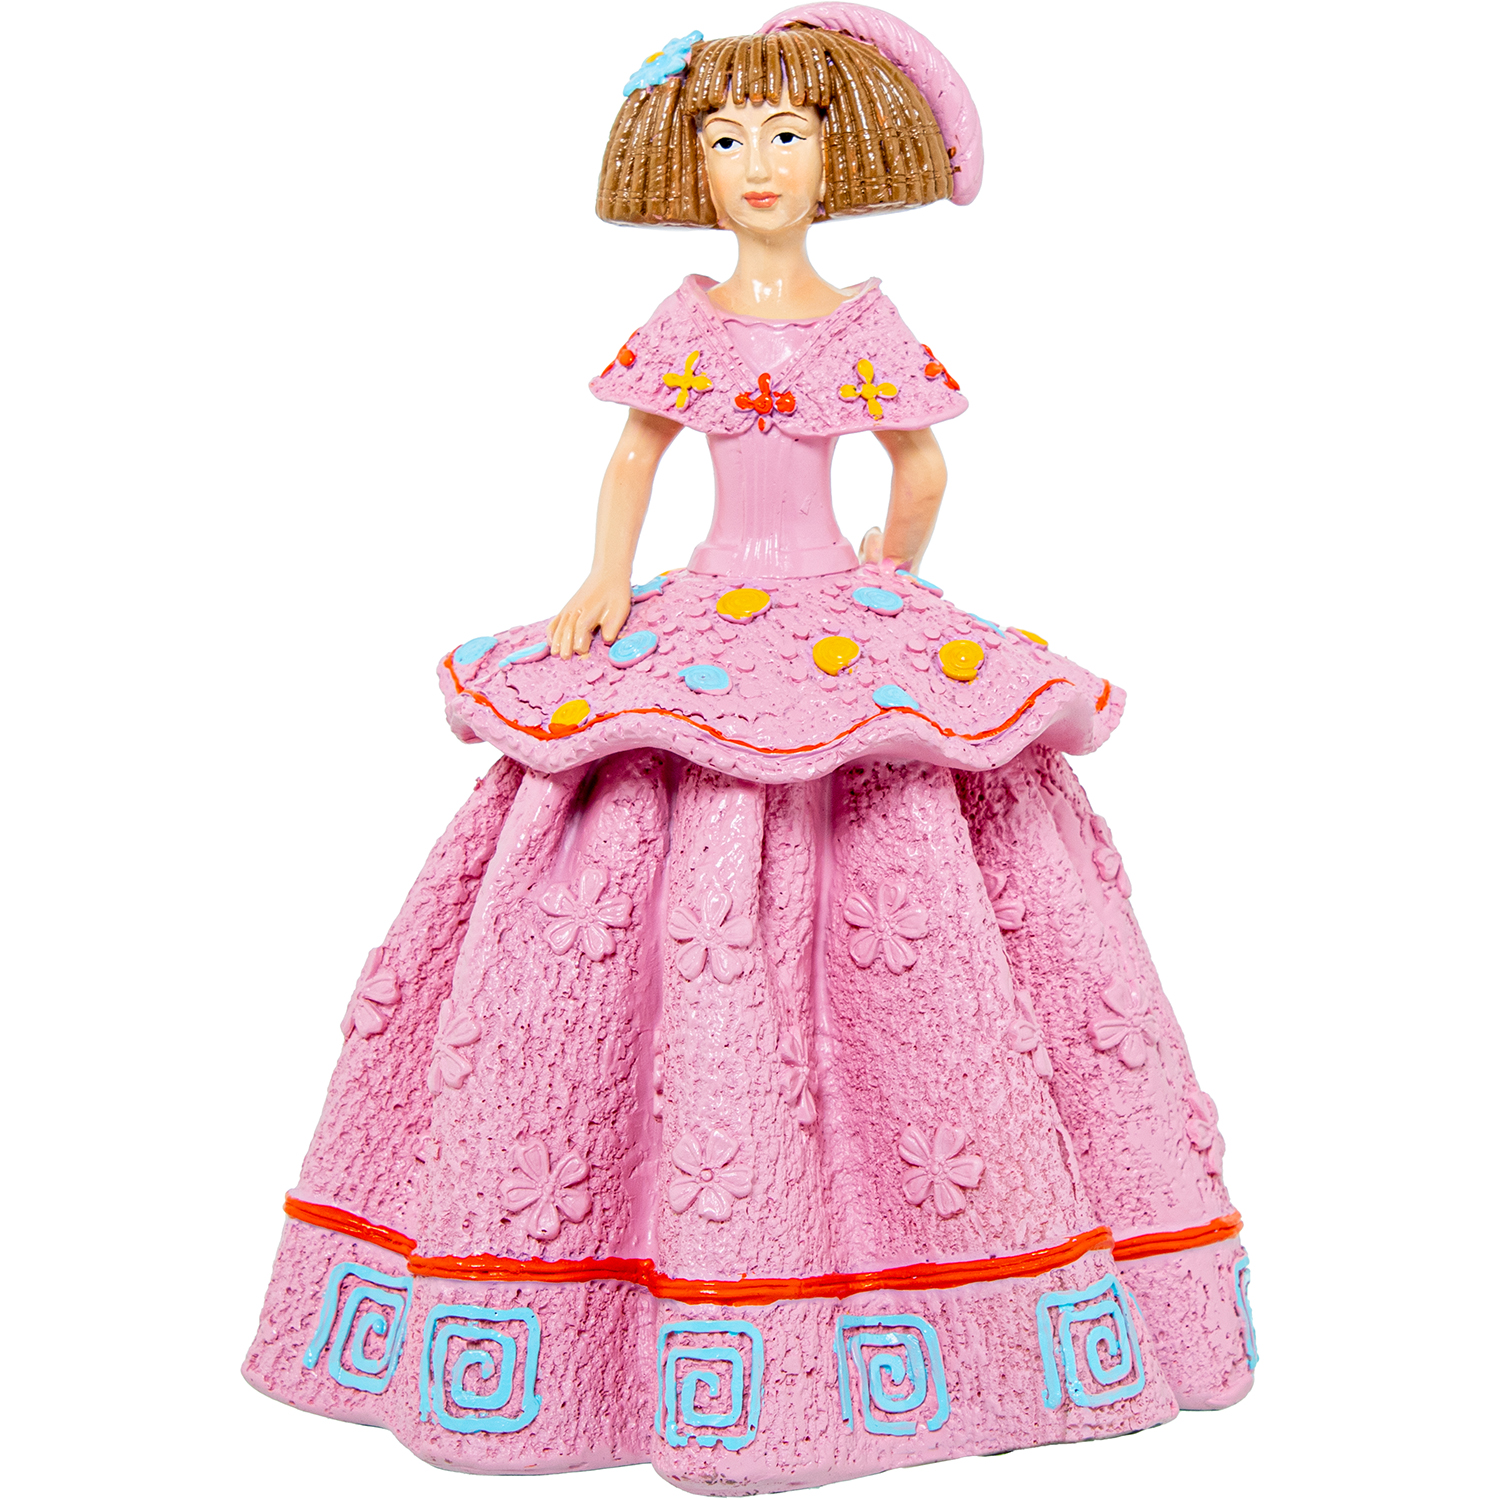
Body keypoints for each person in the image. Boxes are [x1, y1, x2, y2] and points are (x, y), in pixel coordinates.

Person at [245, 10, 1255, 1490]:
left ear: (839, 158)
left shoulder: (861, 323)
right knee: (638, 823)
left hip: (834, 599)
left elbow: (918, 463)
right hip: (717, 599)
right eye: (726, 139)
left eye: (785, 136)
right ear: (693, 163)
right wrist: (604, 580)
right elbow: (641, 458)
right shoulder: (692, 319)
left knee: (899, 844)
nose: (757, 164)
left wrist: (888, 581)